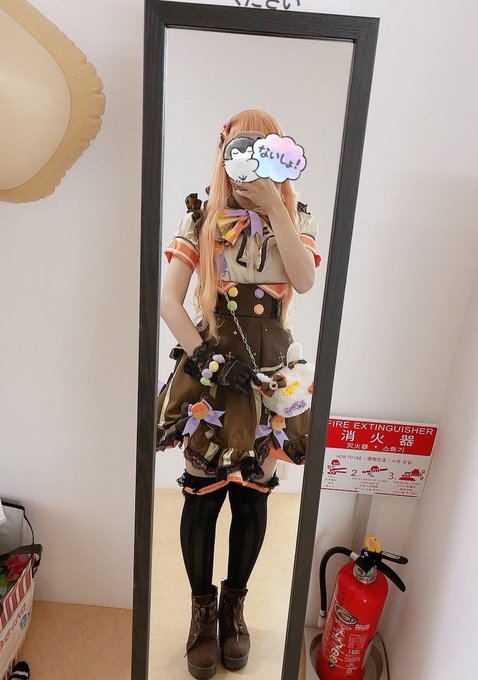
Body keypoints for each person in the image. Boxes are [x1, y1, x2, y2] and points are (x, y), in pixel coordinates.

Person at [157, 108, 321, 679]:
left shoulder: (296, 217)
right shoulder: (200, 216)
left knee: (253, 496)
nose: (252, 161)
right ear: (225, 152)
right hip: (213, 373)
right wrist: (205, 360)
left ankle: (234, 609)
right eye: (241, 149)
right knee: (202, 497)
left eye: (265, 149)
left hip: (270, 374)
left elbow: (304, 280)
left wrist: (275, 207)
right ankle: (202, 613)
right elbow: (168, 300)